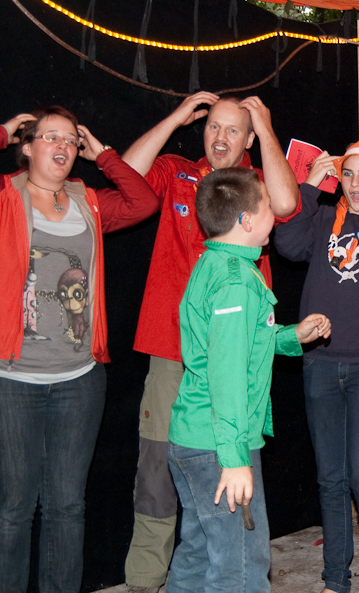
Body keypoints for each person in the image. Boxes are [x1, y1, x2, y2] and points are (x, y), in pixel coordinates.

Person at [0, 108, 158, 593]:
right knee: (14, 507)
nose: (63, 146)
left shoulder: (88, 201)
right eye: (50, 137)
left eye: (71, 140)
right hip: (8, 379)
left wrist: (106, 156)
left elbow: (143, 203)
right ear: (28, 147)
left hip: (79, 379)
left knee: (67, 506)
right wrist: (0, 132)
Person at [120, 93, 300, 593]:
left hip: (228, 362)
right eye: (212, 126)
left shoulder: (254, 186)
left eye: (232, 129)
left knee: (206, 529)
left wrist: (266, 128)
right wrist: (176, 117)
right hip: (177, 356)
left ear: (248, 139)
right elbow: (126, 174)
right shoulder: (180, 172)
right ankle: (144, 580)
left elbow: (287, 203)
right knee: (163, 475)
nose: (220, 137)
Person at [166, 166, 330, 593]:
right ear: (246, 220)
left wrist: (291, 336)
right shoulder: (236, 281)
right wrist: (234, 458)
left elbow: (234, 344)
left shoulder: (215, 263)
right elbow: (227, 374)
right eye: (268, 207)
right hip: (218, 444)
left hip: (194, 437)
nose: (276, 215)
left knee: (200, 554)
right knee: (240, 568)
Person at [273, 137, 359, 593]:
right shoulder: (321, 219)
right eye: (347, 174)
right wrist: (310, 187)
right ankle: (335, 579)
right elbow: (287, 243)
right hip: (321, 363)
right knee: (330, 478)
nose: (355, 184)